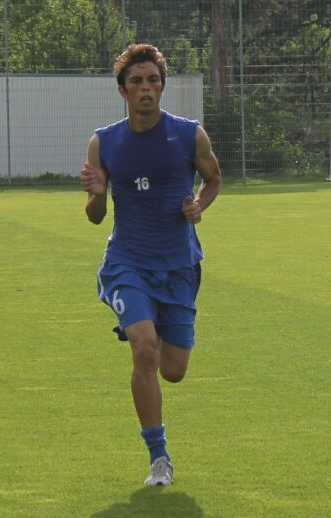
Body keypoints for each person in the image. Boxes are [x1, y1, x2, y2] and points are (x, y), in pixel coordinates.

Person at [80, 43, 222, 487]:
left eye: (153, 80)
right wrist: (98, 194)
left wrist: (198, 205)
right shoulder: (104, 142)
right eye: (137, 81)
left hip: (179, 264)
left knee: (173, 371)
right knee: (144, 349)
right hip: (128, 261)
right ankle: (159, 458)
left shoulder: (189, 135)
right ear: (122, 91)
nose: (146, 88)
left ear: (162, 86)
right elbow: (95, 216)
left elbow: (213, 179)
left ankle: (150, 321)